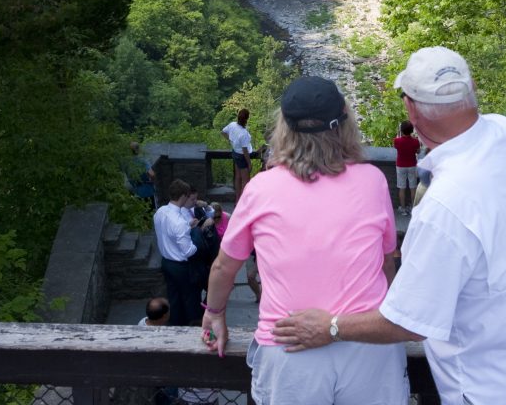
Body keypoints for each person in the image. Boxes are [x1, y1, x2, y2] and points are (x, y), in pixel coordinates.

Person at [273, 47, 506, 405]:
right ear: (473, 90)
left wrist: (330, 327)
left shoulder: (444, 210)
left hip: (498, 387)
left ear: (410, 107)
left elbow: (409, 321)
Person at [202, 75, 409, 405]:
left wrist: (214, 313)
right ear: (344, 123)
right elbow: (386, 261)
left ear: (283, 127)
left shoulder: (261, 188)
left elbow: (224, 267)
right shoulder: (373, 181)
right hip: (367, 345)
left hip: (289, 350)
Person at [153, 178, 201, 325]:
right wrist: (196, 236)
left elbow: (169, 232)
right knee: (189, 297)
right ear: (183, 196)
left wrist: (188, 226)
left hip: (166, 262)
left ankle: (175, 322)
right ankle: (188, 326)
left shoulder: (160, 212)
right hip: (180, 266)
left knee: (173, 296)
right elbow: (188, 251)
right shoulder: (179, 222)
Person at [222, 108, 253, 201]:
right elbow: (245, 150)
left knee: (238, 177)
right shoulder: (243, 133)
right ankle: (243, 202)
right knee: (246, 181)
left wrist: (231, 140)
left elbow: (223, 132)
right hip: (242, 156)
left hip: (235, 153)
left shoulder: (232, 125)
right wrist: (249, 163)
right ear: (247, 119)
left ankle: (237, 199)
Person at [393, 120, 420, 215]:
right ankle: (413, 207)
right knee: (413, 187)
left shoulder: (397, 141)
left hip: (400, 166)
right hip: (412, 165)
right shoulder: (415, 141)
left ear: (401, 130)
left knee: (402, 187)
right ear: (412, 130)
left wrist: (398, 134)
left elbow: (396, 146)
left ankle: (403, 208)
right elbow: (418, 152)